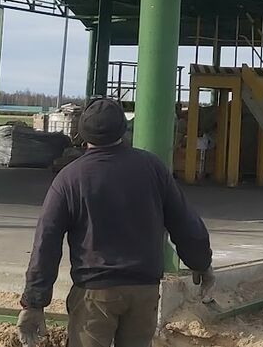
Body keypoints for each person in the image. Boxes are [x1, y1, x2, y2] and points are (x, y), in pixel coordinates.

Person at [18, 98, 215, 347]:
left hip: (94, 294)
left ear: (82, 133)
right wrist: (201, 264)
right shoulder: (153, 168)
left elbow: (46, 243)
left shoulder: (69, 179)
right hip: (144, 290)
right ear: (123, 129)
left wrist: (34, 303)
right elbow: (185, 223)